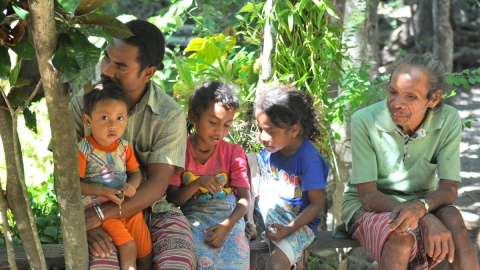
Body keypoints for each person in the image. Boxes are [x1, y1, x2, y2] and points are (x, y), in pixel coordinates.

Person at [71, 19, 196, 269]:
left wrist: (99, 216)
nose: (106, 70)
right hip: (96, 207)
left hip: (156, 212)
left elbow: (158, 183)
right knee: (103, 264)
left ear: (148, 72)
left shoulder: (169, 114)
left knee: (178, 264)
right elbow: (66, 177)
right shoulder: (82, 105)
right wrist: (82, 223)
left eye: (120, 66)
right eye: (106, 58)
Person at [341, 53, 480, 270]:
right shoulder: (365, 120)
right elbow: (367, 195)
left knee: (453, 217)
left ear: (433, 99)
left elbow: (449, 190)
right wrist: (421, 216)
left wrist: (421, 208)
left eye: (410, 97)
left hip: (422, 203)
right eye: (392, 92)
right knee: (401, 237)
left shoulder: (449, 119)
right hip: (370, 208)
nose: (397, 103)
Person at [166, 81, 251, 269]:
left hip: (229, 218)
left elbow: (245, 199)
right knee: (196, 259)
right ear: (193, 117)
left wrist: (227, 225)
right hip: (194, 218)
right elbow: (173, 200)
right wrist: (197, 184)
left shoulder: (233, 152)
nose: (220, 131)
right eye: (213, 122)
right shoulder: (179, 152)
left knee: (236, 259)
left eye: (227, 125)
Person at [79, 82, 152, 269]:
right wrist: (103, 191)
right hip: (101, 210)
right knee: (129, 247)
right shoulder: (83, 149)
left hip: (127, 205)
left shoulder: (123, 146)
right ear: (88, 121)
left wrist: (132, 185)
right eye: (104, 117)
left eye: (120, 118)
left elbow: (135, 173)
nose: (113, 125)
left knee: (145, 250)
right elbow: (76, 185)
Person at [254, 85, 328, 269]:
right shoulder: (271, 150)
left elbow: (317, 204)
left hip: (298, 224)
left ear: (294, 130)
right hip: (268, 218)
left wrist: (288, 229)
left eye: (270, 131)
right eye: (259, 128)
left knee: (277, 265)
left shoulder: (308, 159)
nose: (262, 137)